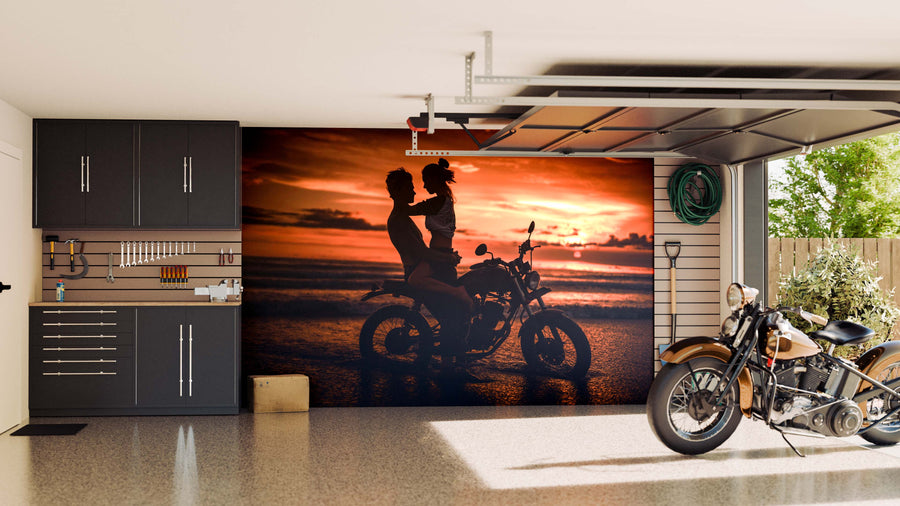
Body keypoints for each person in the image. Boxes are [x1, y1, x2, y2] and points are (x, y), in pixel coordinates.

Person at [385, 168, 468, 373]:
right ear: (398, 190)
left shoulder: (405, 216)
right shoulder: (398, 219)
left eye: (416, 185)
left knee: (455, 313)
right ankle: (448, 369)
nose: (416, 190)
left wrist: (447, 258)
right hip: (422, 271)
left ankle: (457, 360)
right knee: (449, 316)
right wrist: (447, 257)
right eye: (410, 187)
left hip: (432, 267)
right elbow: (421, 252)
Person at [405, 158, 472, 310]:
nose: (424, 185)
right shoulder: (446, 201)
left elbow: (410, 210)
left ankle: (458, 292)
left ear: (434, 179)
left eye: (425, 180)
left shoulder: (438, 202)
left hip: (438, 254)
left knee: (414, 280)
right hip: (443, 252)